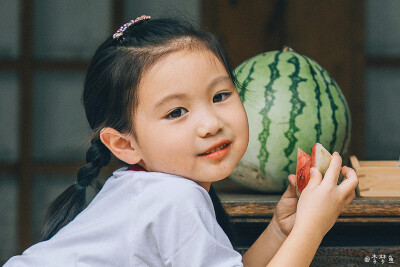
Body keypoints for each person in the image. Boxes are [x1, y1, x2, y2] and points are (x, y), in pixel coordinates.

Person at [5, 15, 358, 266]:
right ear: (125, 145)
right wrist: (312, 226)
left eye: (220, 96)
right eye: (176, 112)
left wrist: (281, 232)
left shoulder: (147, 189)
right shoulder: (174, 198)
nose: (210, 124)